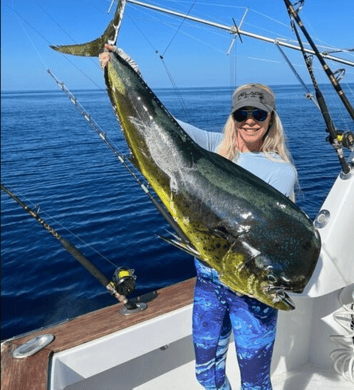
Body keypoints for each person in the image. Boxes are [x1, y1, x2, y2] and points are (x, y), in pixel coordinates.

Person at [100, 46, 297, 390]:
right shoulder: (214, 148)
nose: (250, 120)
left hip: (251, 293)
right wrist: (130, 74)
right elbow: (162, 125)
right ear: (234, 117)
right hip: (208, 284)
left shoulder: (281, 172)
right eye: (242, 113)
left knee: (255, 383)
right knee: (206, 373)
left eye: (259, 114)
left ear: (271, 119)